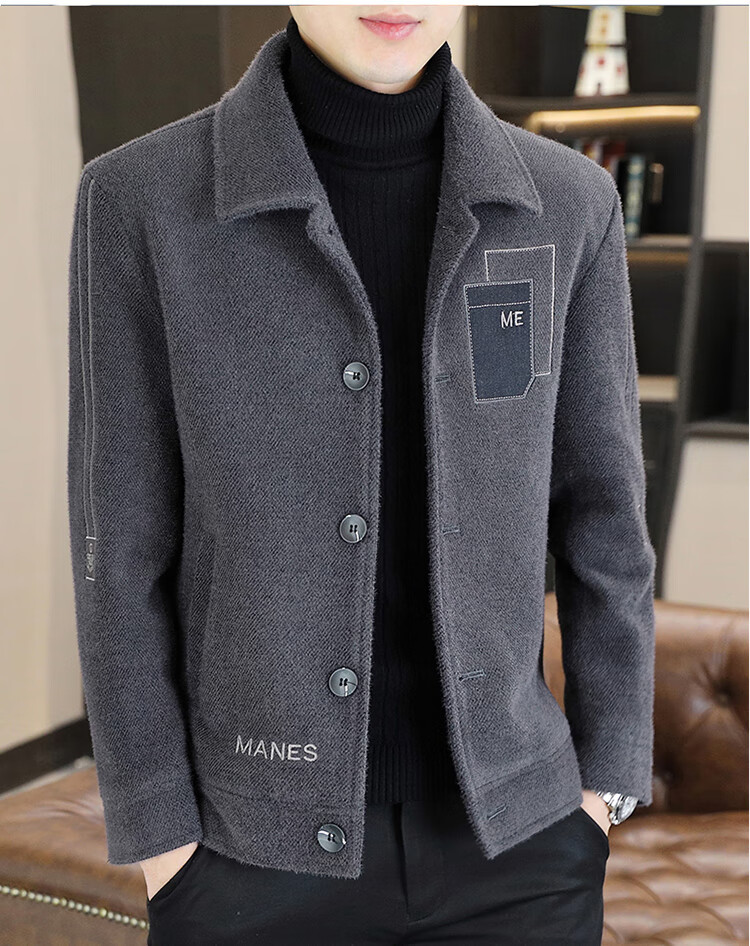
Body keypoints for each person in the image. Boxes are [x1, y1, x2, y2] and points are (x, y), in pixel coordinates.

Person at [66, 5, 656, 944]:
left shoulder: (569, 201)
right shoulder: (140, 199)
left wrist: (603, 790)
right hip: (248, 860)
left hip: (526, 854)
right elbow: (118, 548)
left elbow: (606, 522)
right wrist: (161, 839)